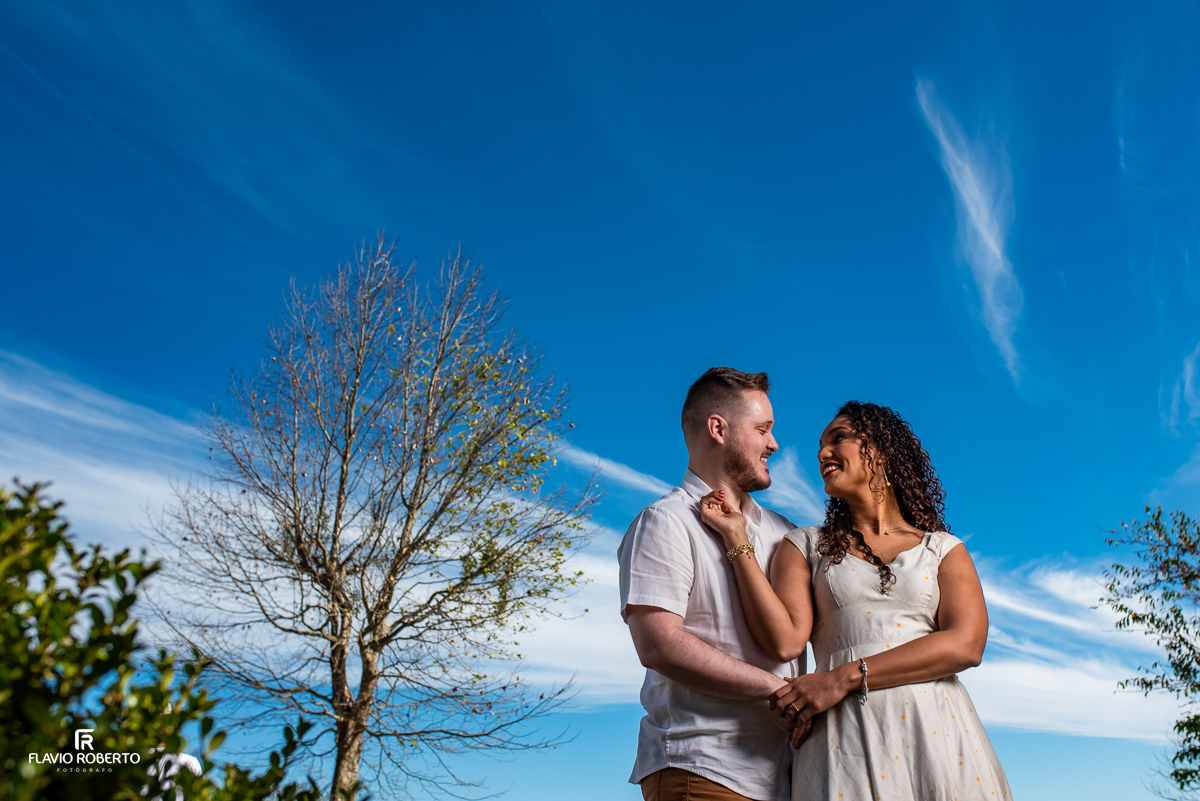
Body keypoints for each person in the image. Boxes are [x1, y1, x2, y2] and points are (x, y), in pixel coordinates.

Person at [700, 400, 1011, 801]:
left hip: (940, 734)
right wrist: (736, 538)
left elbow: (966, 644)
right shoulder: (806, 546)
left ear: (881, 449)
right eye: (820, 446)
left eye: (839, 438)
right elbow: (784, 641)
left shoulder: (944, 550)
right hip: (843, 743)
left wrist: (842, 677)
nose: (822, 453)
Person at [617, 367, 801, 801]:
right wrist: (778, 691)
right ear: (717, 428)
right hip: (701, 770)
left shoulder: (784, 533)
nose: (773, 443)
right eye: (762, 429)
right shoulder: (665, 522)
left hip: (784, 776)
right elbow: (659, 644)